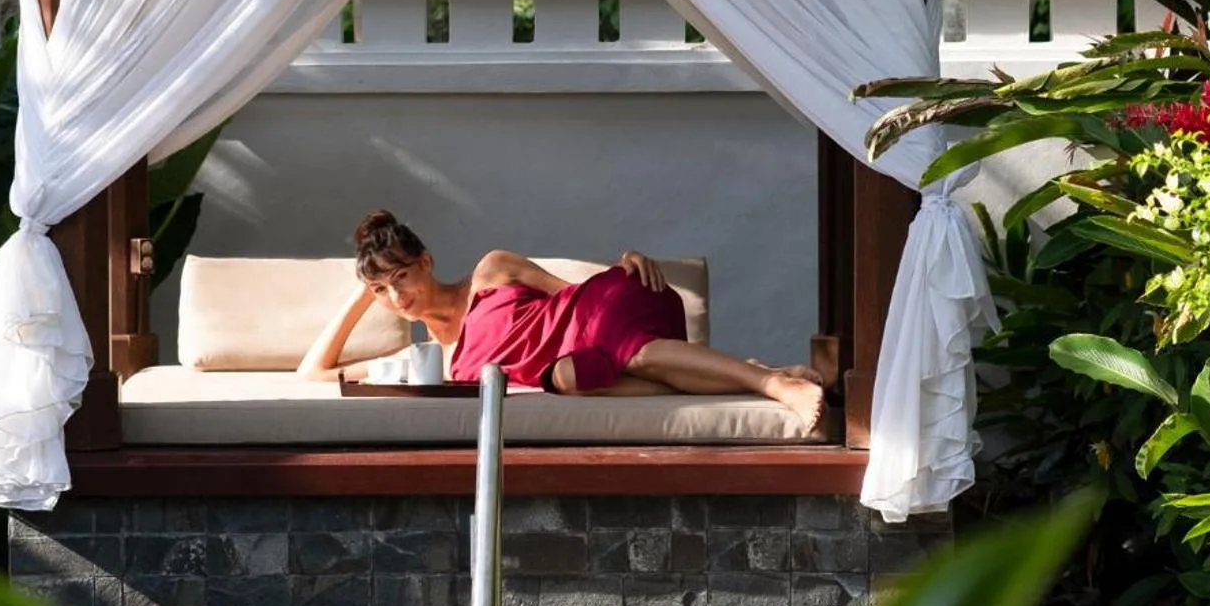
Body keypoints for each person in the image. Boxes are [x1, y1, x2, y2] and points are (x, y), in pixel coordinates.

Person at [298, 210, 827, 434]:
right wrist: (361, 292)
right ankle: (755, 370)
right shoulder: (426, 361)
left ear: (427, 261)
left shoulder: (490, 269)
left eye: (402, 277)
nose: (398, 295)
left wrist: (627, 261)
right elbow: (314, 372)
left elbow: (576, 294)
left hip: (600, 316)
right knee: (567, 379)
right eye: (383, 290)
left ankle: (774, 384)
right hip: (575, 366)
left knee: (631, 350)